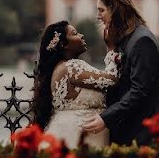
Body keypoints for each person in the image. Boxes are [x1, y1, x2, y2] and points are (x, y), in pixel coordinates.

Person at [82, 0, 159, 145]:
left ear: (115, 10)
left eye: (102, 10)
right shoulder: (127, 39)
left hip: (140, 135)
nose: (98, 16)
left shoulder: (142, 41)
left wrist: (106, 118)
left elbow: (139, 91)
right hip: (127, 132)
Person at [32, 21, 119, 149]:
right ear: (63, 44)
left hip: (67, 131)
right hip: (79, 136)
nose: (81, 35)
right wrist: (111, 49)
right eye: (75, 34)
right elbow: (112, 79)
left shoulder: (58, 67)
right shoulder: (72, 67)